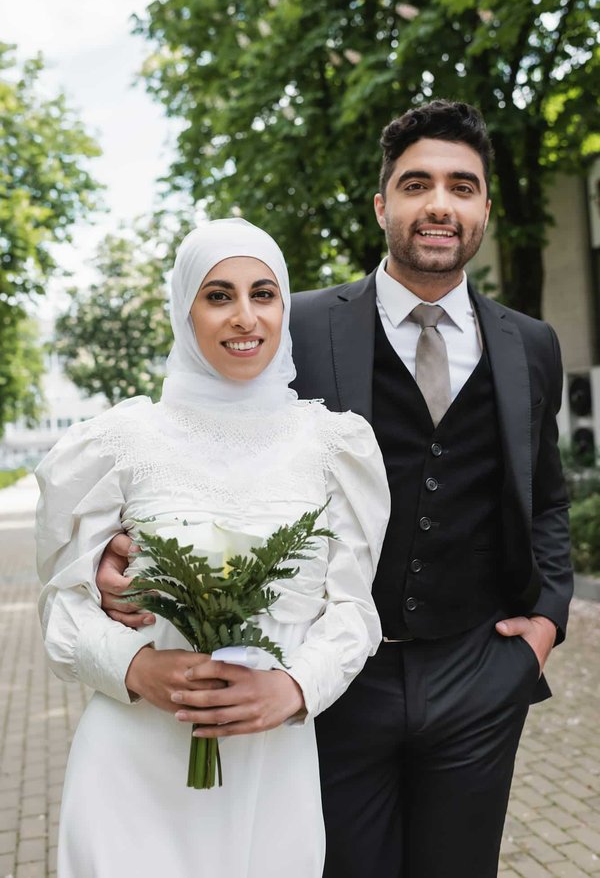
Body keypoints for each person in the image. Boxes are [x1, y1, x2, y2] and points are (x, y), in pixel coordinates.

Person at [98, 101, 573, 878]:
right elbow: (203, 443)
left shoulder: (531, 344)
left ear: (485, 206)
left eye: (462, 185)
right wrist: (126, 555)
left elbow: (545, 495)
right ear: (384, 204)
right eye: (417, 184)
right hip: (330, 681)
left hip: (478, 673)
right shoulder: (299, 325)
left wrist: (547, 624)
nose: (440, 204)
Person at [35, 219, 390, 878]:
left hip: (271, 773)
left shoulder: (335, 447)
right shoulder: (116, 443)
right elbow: (62, 609)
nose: (244, 316)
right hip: (132, 762)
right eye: (218, 295)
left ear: (285, 307)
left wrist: (295, 687)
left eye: (263, 293)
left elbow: (353, 610)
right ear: (184, 309)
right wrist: (136, 668)